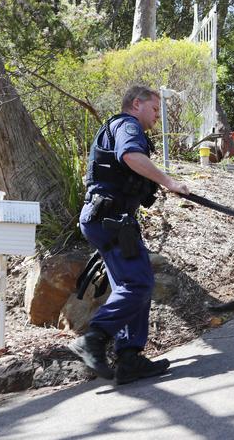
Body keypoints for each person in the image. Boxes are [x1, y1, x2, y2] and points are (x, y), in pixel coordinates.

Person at [68, 85, 189, 384]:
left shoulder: (118, 126)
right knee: (137, 283)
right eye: (155, 109)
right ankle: (93, 339)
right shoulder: (127, 125)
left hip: (108, 219)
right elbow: (130, 156)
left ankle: (129, 358)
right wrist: (169, 182)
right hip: (109, 218)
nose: (157, 115)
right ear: (137, 104)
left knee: (133, 283)